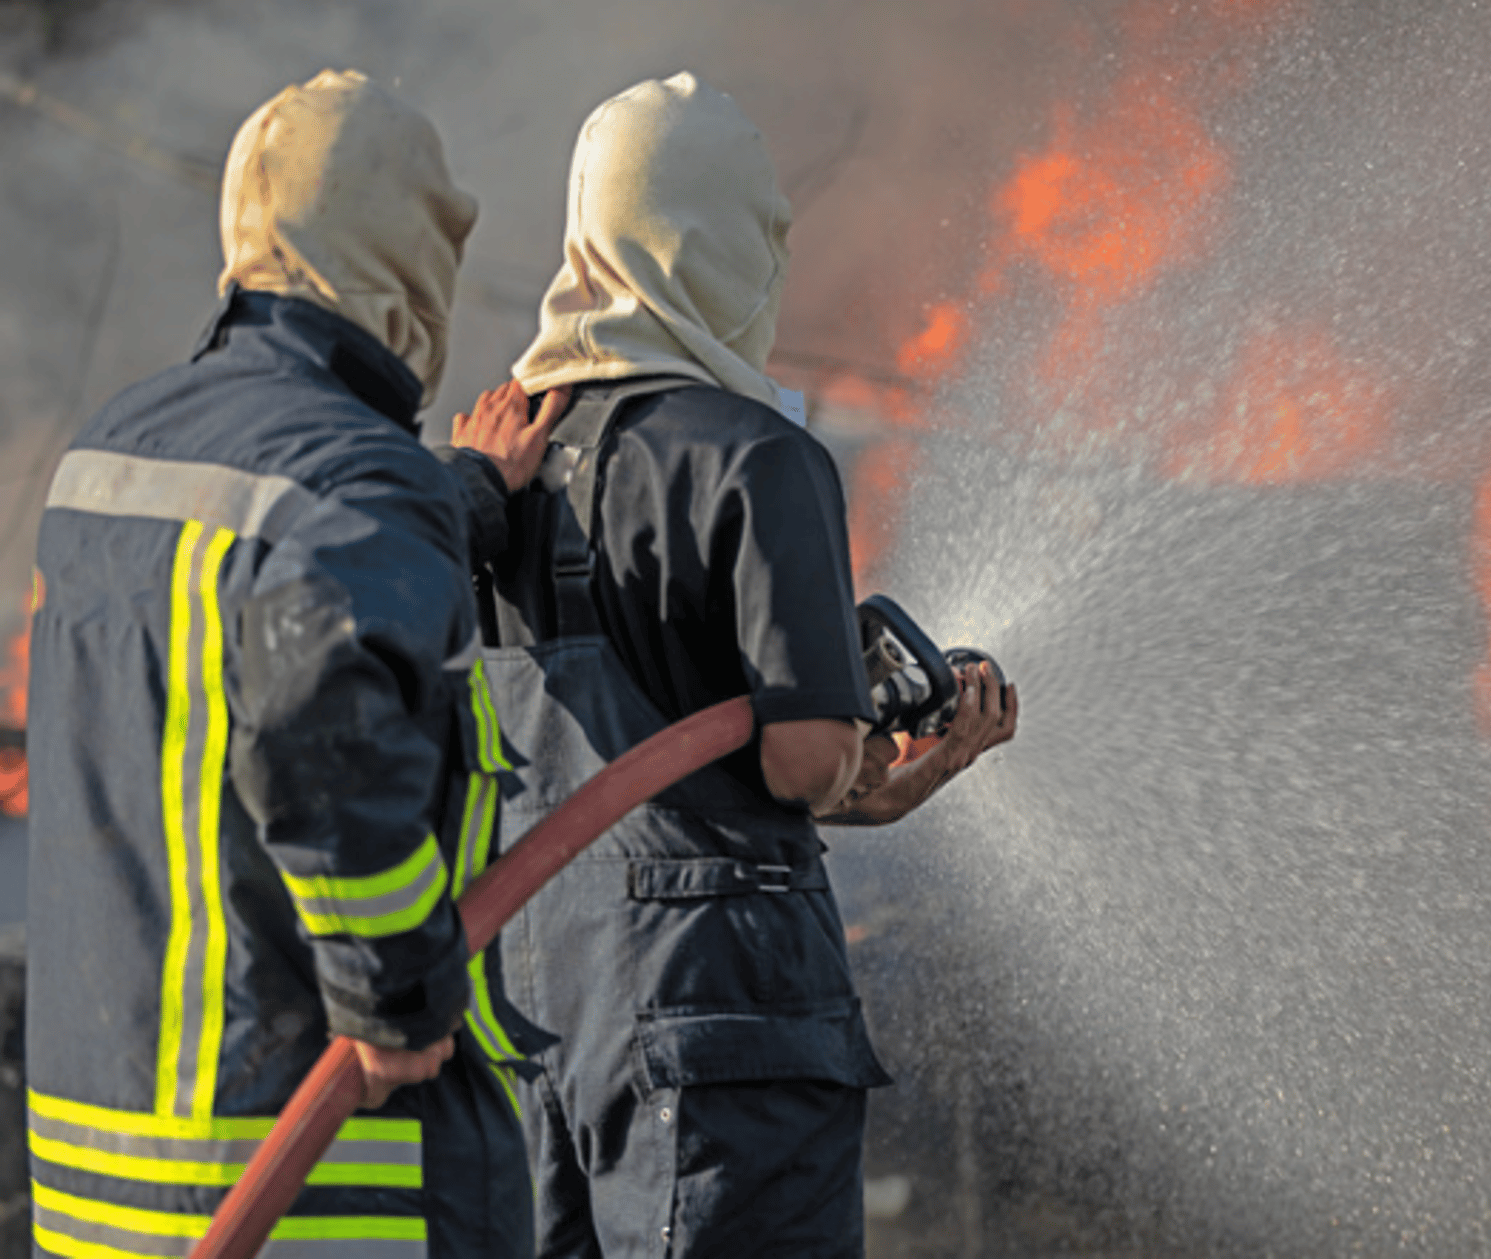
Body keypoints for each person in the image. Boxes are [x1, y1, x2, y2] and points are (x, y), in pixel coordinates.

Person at [471, 73, 1015, 1256]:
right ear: (720, 243)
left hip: (533, 991)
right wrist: (907, 753)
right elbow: (806, 758)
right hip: (719, 1020)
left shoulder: (501, 457)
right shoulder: (760, 458)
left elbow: (632, 782)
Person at [25, 69, 559, 1258]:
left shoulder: (114, 453)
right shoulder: (355, 482)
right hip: (311, 1186)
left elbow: (261, 582)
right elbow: (315, 709)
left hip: (99, 1187)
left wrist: (456, 497)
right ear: (408, 254)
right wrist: (393, 990)